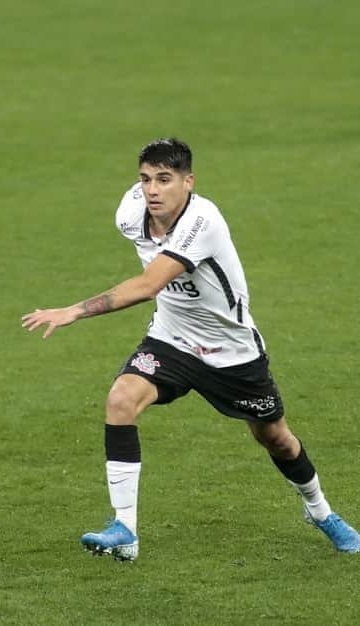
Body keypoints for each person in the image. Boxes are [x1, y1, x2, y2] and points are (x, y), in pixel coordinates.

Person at [22, 137, 359, 560]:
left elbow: (147, 286)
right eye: (145, 179)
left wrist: (73, 310)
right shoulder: (131, 213)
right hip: (172, 338)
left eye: (164, 180)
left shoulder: (204, 221)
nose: (153, 190)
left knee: (277, 439)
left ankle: (320, 511)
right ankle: (125, 529)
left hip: (231, 353)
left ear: (188, 182)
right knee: (121, 399)